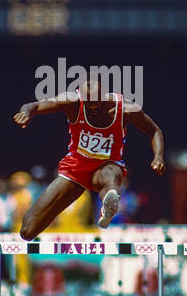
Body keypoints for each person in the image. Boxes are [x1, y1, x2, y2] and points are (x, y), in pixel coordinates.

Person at [13, 79, 165, 240]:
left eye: (96, 102)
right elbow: (33, 105)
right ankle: (106, 201)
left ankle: (108, 207)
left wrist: (158, 157)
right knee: (27, 230)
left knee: (111, 176)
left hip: (106, 164)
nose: (92, 107)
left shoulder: (125, 108)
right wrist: (26, 113)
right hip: (76, 168)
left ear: (104, 96)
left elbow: (154, 131)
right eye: (88, 103)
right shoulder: (71, 101)